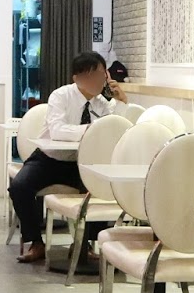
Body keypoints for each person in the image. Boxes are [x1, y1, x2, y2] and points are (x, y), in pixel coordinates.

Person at [8, 51, 129, 265]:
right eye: (92, 76)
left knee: (102, 189)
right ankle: (36, 242)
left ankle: (83, 245)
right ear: (77, 78)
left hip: (80, 163)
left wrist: (121, 101)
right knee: (19, 187)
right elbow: (57, 130)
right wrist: (92, 130)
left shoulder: (102, 103)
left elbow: (114, 130)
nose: (98, 81)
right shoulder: (61, 96)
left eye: (101, 75)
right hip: (49, 159)